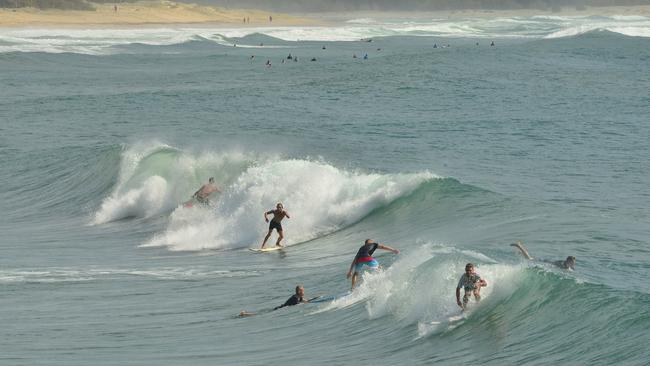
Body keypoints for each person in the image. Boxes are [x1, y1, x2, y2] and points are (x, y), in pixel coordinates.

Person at [239, 285, 314, 317]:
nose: (304, 292)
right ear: (299, 292)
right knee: (260, 314)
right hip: (279, 309)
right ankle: (245, 314)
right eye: (303, 291)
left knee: (261, 313)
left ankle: (245, 313)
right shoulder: (295, 298)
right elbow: (299, 304)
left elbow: (305, 300)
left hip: (280, 308)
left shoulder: (298, 297)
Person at [511, 241, 576, 270]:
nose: (573, 264)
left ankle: (522, 252)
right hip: (546, 262)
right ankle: (519, 246)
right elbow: (563, 268)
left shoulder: (569, 266)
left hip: (548, 261)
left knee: (530, 258)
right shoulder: (563, 264)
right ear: (568, 261)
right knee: (529, 259)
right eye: (572, 263)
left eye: (573, 263)